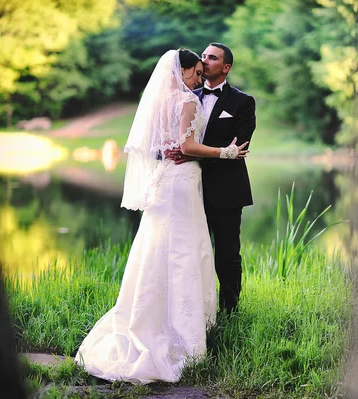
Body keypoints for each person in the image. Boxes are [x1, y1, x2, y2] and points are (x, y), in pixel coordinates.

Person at [74, 48, 249, 384]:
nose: (199, 77)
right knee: (183, 249)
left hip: (170, 181)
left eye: (204, 69)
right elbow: (184, 147)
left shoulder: (164, 100)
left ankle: (155, 318)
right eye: (196, 71)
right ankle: (180, 333)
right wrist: (224, 152)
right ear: (181, 71)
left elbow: (167, 143)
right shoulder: (186, 101)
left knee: (162, 249)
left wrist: (178, 150)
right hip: (181, 183)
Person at [167, 43, 256, 315]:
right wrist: (173, 153)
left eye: (212, 57)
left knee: (227, 253)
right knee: (189, 251)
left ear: (226, 67)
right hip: (187, 188)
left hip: (227, 189)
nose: (205, 60)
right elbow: (172, 139)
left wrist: (192, 154)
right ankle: (192, 311)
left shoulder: (243, 102)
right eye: (203, 56)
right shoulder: (185, 96)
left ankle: (229, 310)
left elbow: (237, 147)